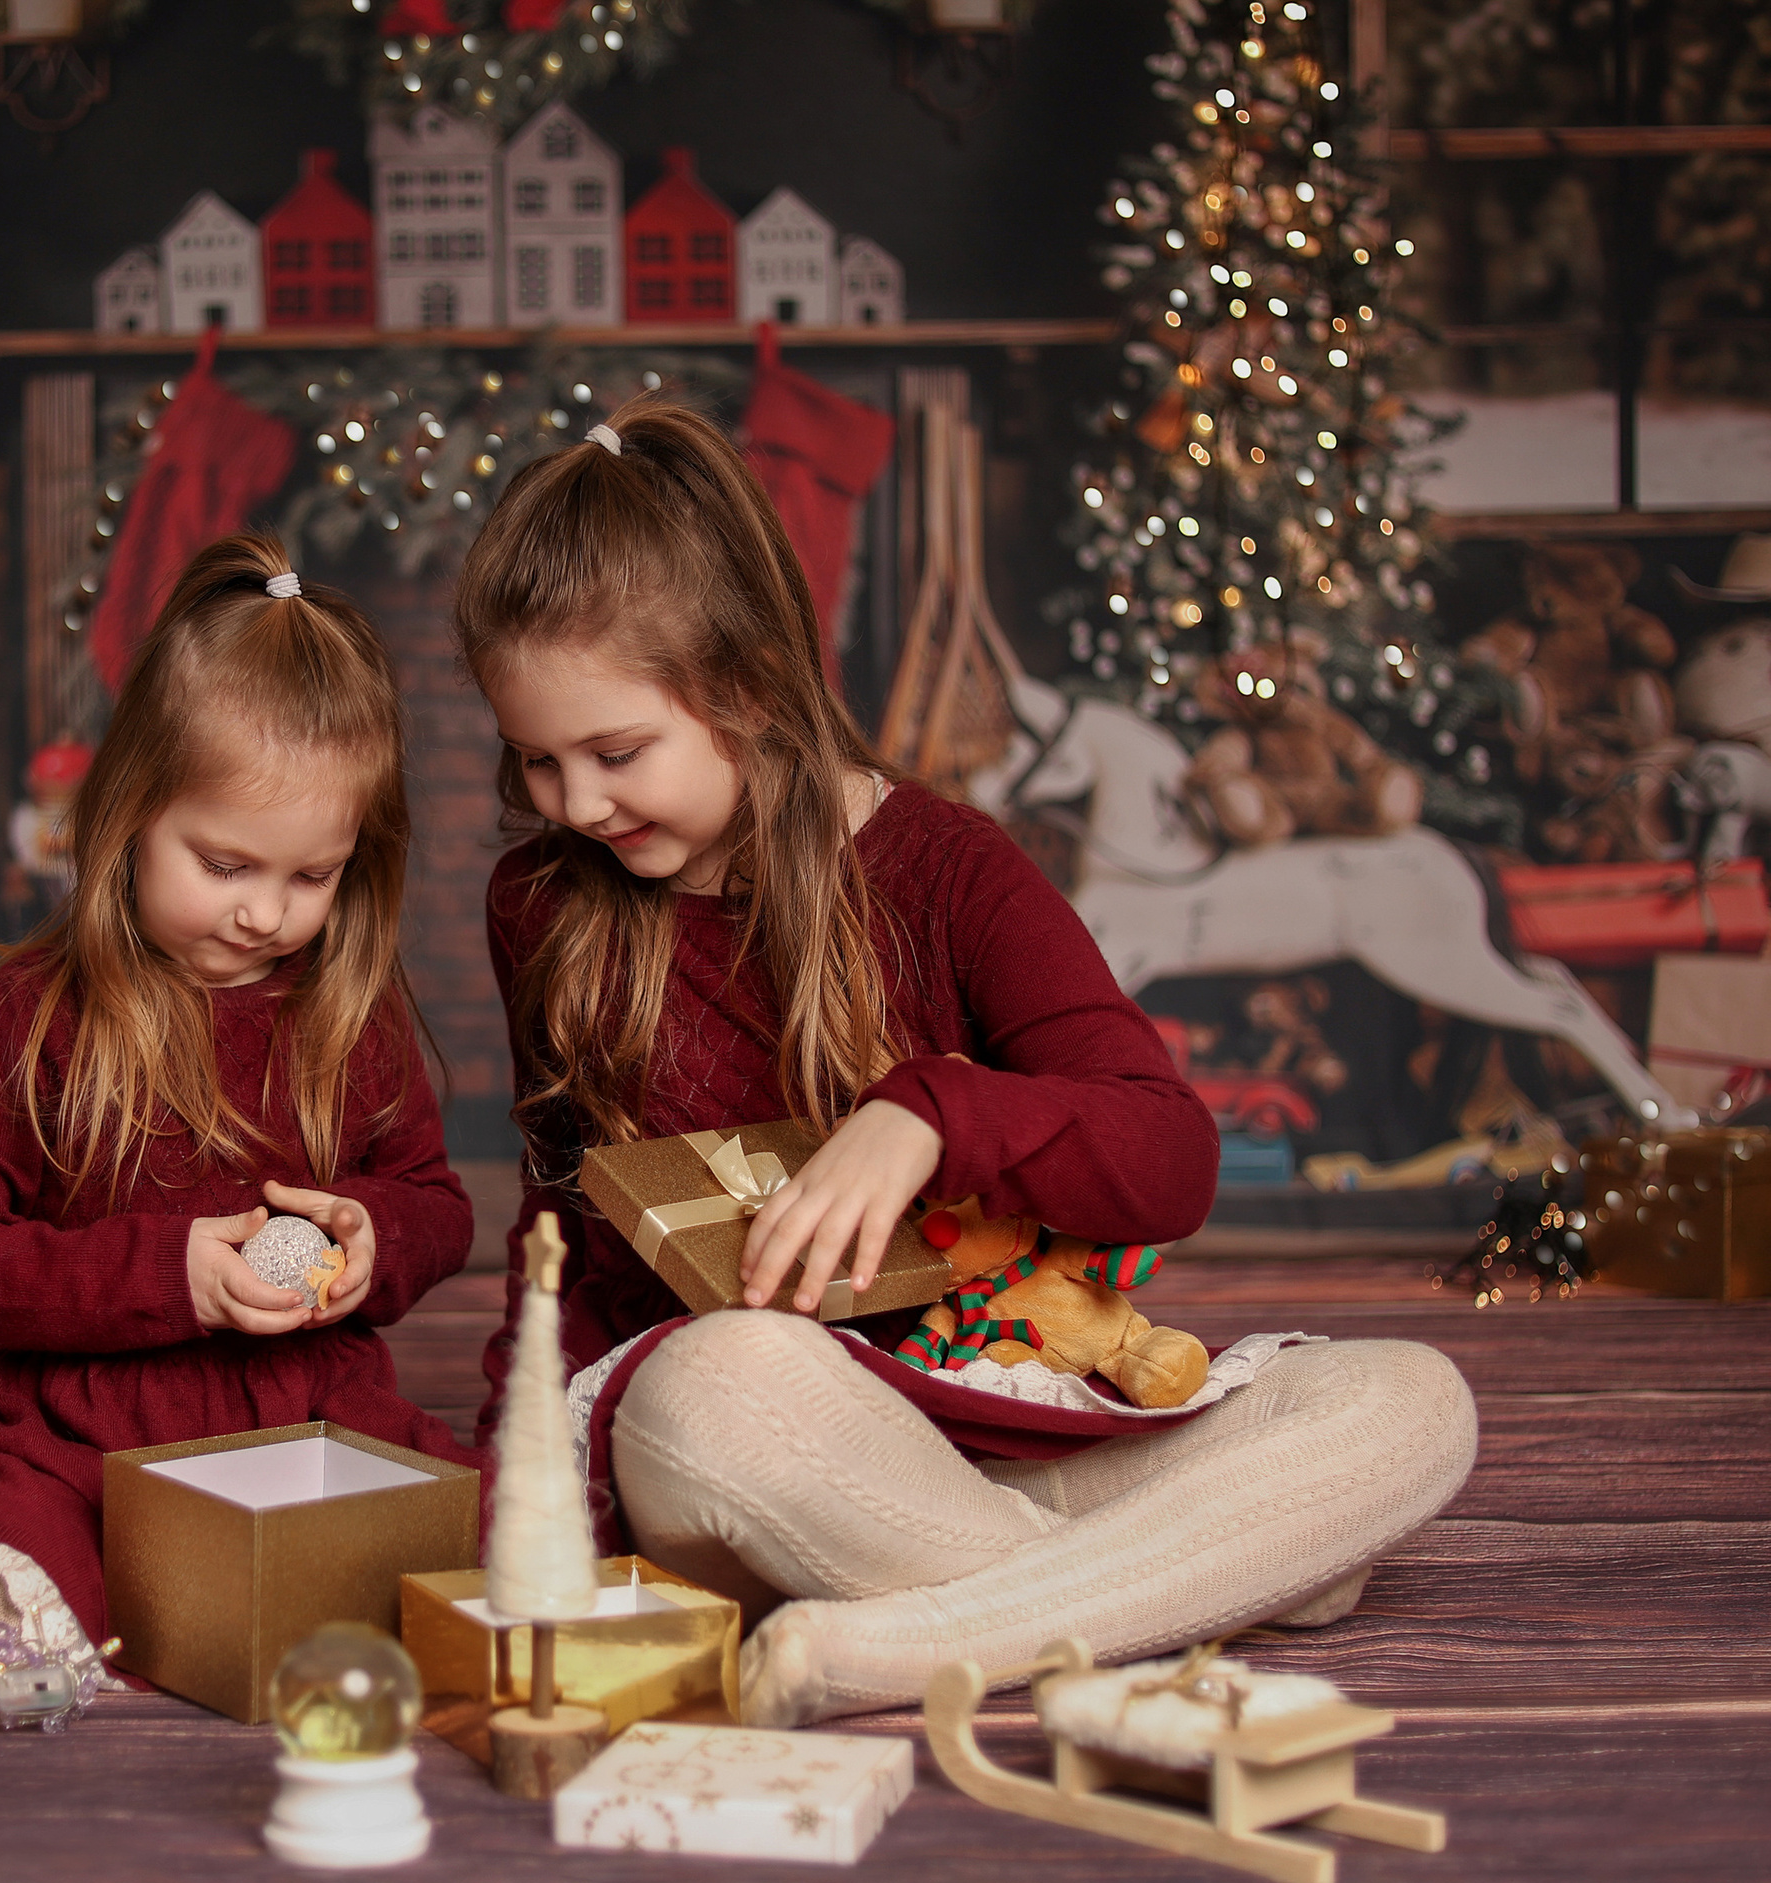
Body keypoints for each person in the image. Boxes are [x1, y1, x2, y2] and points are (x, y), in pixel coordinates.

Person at [453, 397, 1477, 1728]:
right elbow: (561, 1231)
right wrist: (516, 1474)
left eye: (615, 753)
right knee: (707, 1390)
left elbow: (1169, 1160)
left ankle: (922, 1636)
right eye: (535, 760)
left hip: (1005, 1412)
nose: (573, 805)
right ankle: (1207, 1576)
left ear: (751, 686)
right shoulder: (548, 905)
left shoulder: (956, 873)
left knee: (1409, 1401)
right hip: (787, 1451)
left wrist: (933, 1110)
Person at [0, 534, 475, 1674]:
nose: (266, 914)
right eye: (224, 865)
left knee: (492, 1539)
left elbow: (435, 1203)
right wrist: (169, 1274)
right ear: (129, 812)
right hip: (86, 1429)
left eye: (311, 877)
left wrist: (372, 1239)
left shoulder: (346, 1013)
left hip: (311, 1414)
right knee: (28, 1616)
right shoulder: (26, 1018)